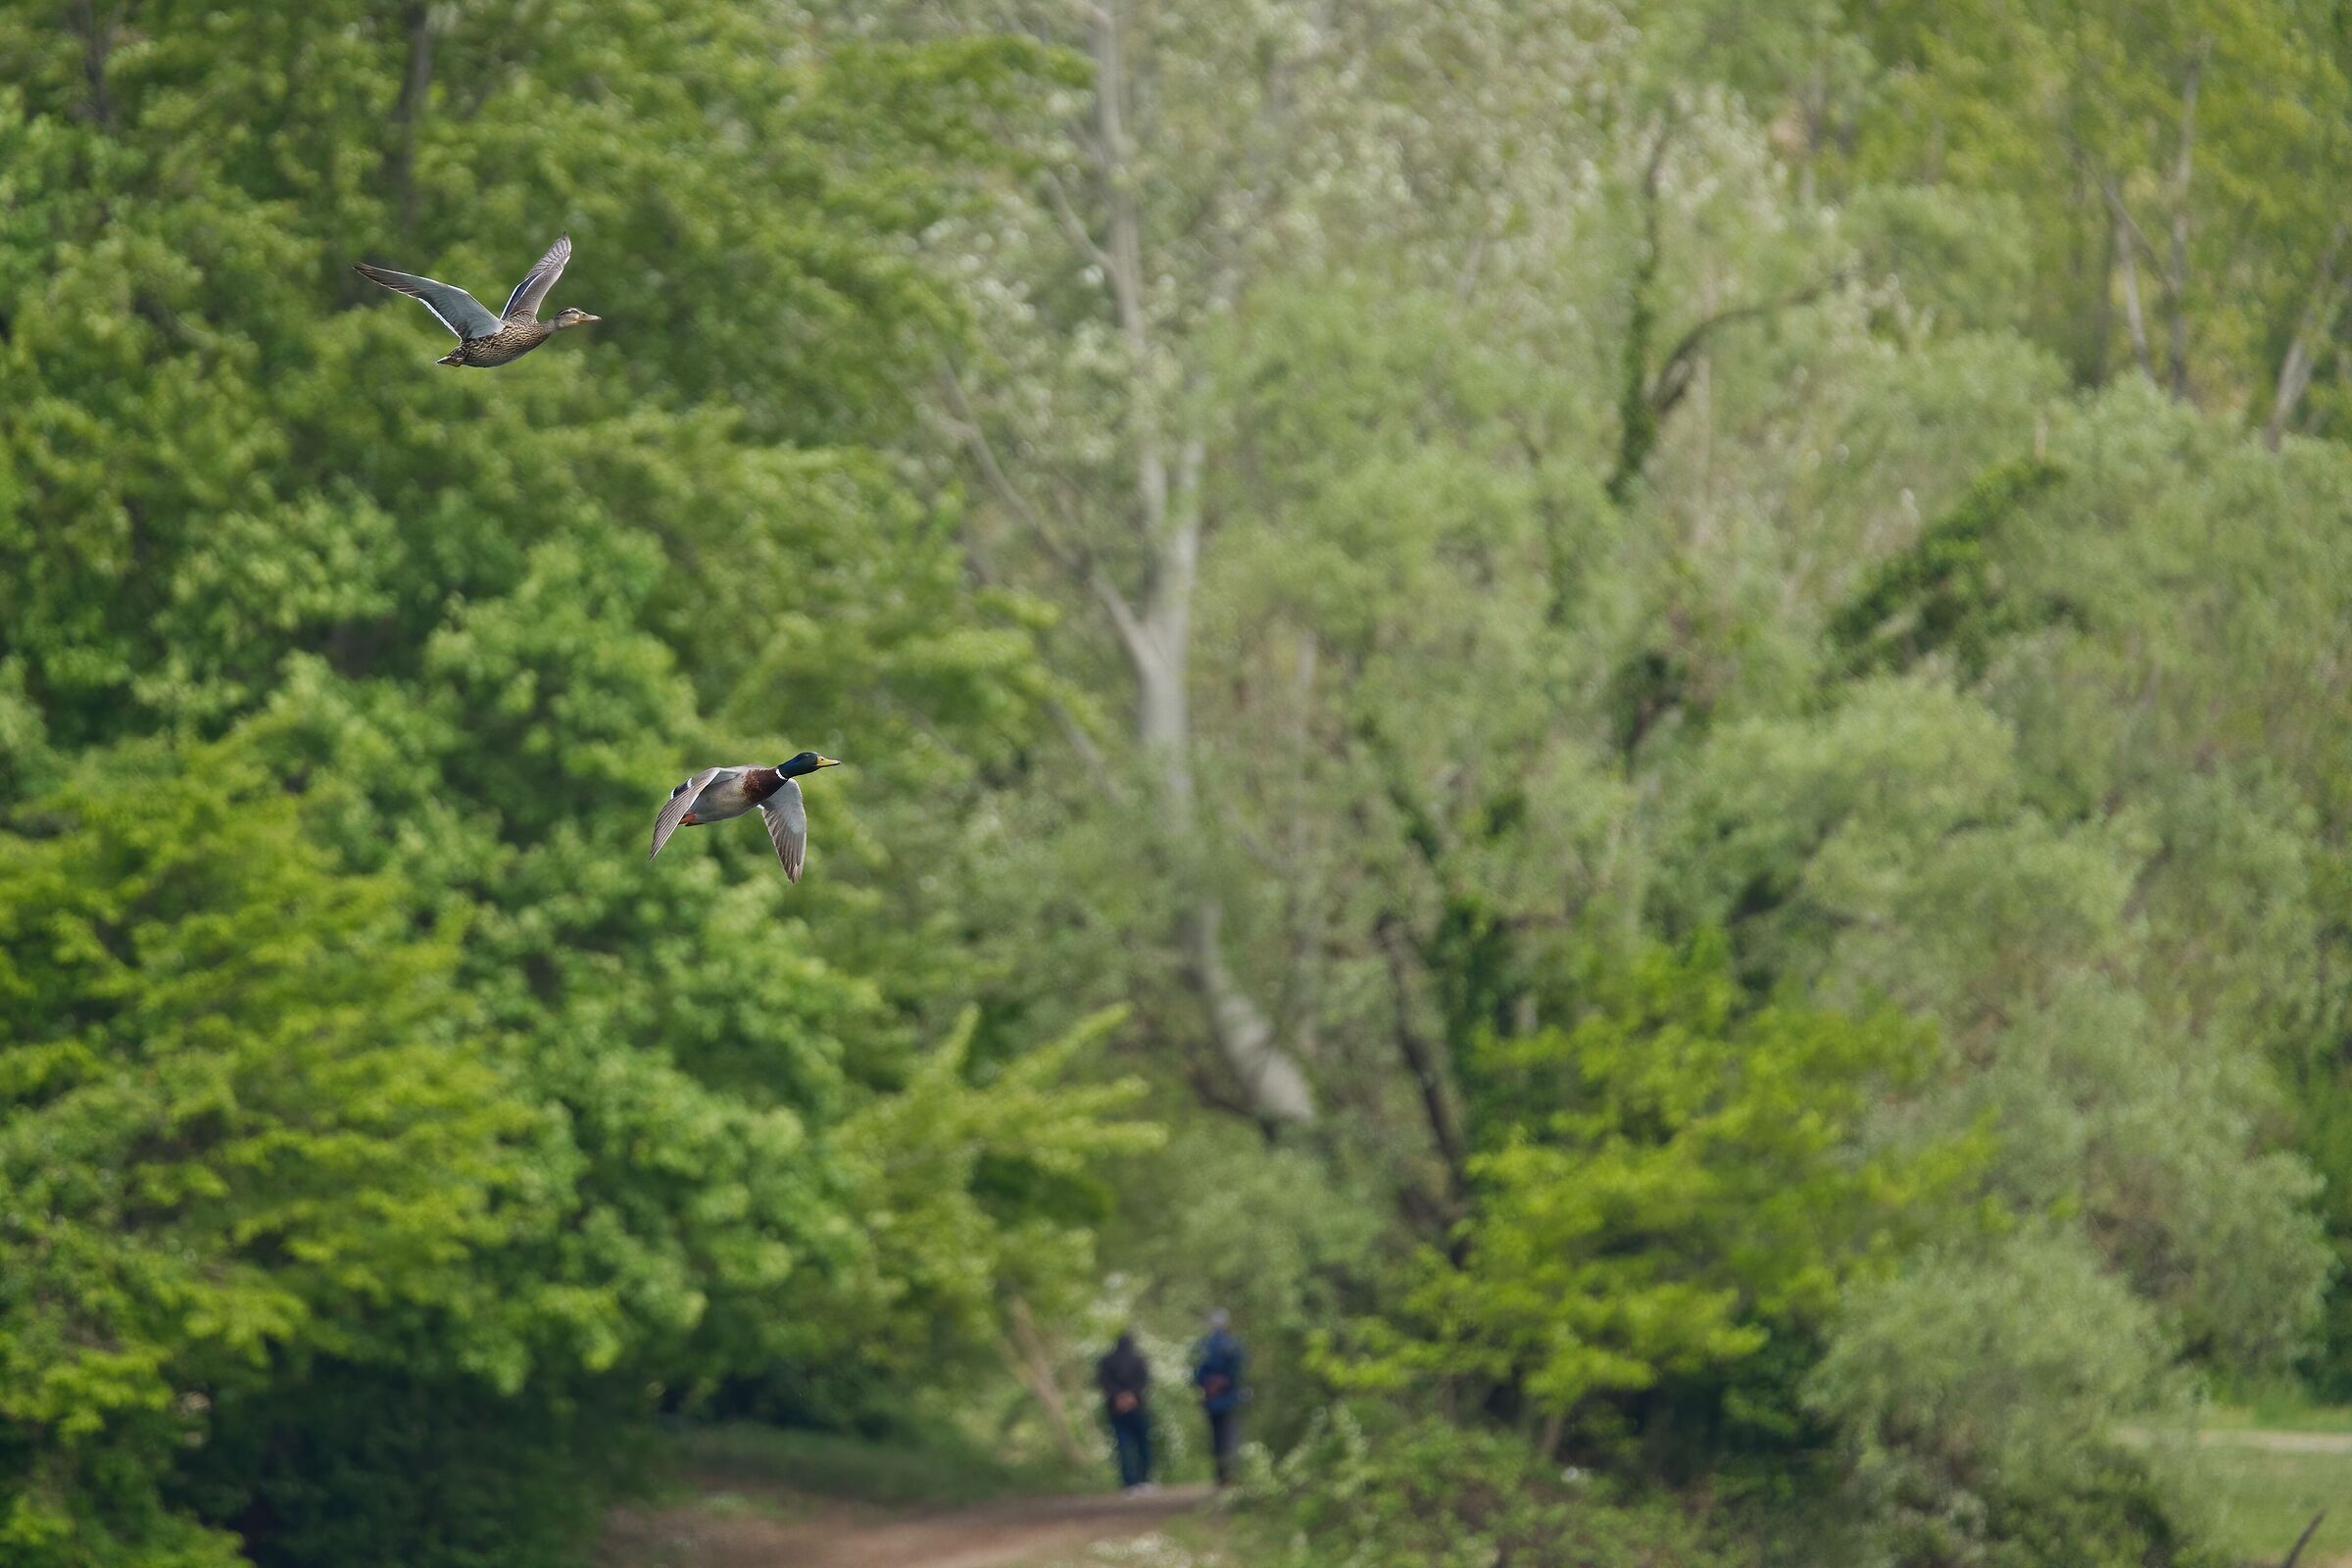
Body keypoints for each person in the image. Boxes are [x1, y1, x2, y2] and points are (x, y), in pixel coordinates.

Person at [1191, 1308, 1247, 1487]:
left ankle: (1221, 1474)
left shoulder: (1202, 1345)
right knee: (1229, 1435)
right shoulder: (1234, 1344)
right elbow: (1241, 1371)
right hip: (1228, 1397)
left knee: (1216, 1436)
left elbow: (1195, 1373)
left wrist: (1208, 1385)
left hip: (1212, 1398)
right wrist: (1224, 1382)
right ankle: (1229, 1472)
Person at [1096, 1330, 1153, 1493]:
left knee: (1124, 1445)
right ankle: (1143, 1479)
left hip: (1116, 1408)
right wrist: (1132, 1396)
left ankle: (1129, 1481)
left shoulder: (1107, 1361)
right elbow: (1145, 1382)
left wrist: (1119, 1397)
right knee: (1141, 1444)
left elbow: (1103, 1382)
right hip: (1136, 1408)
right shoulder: (1140, 1360)